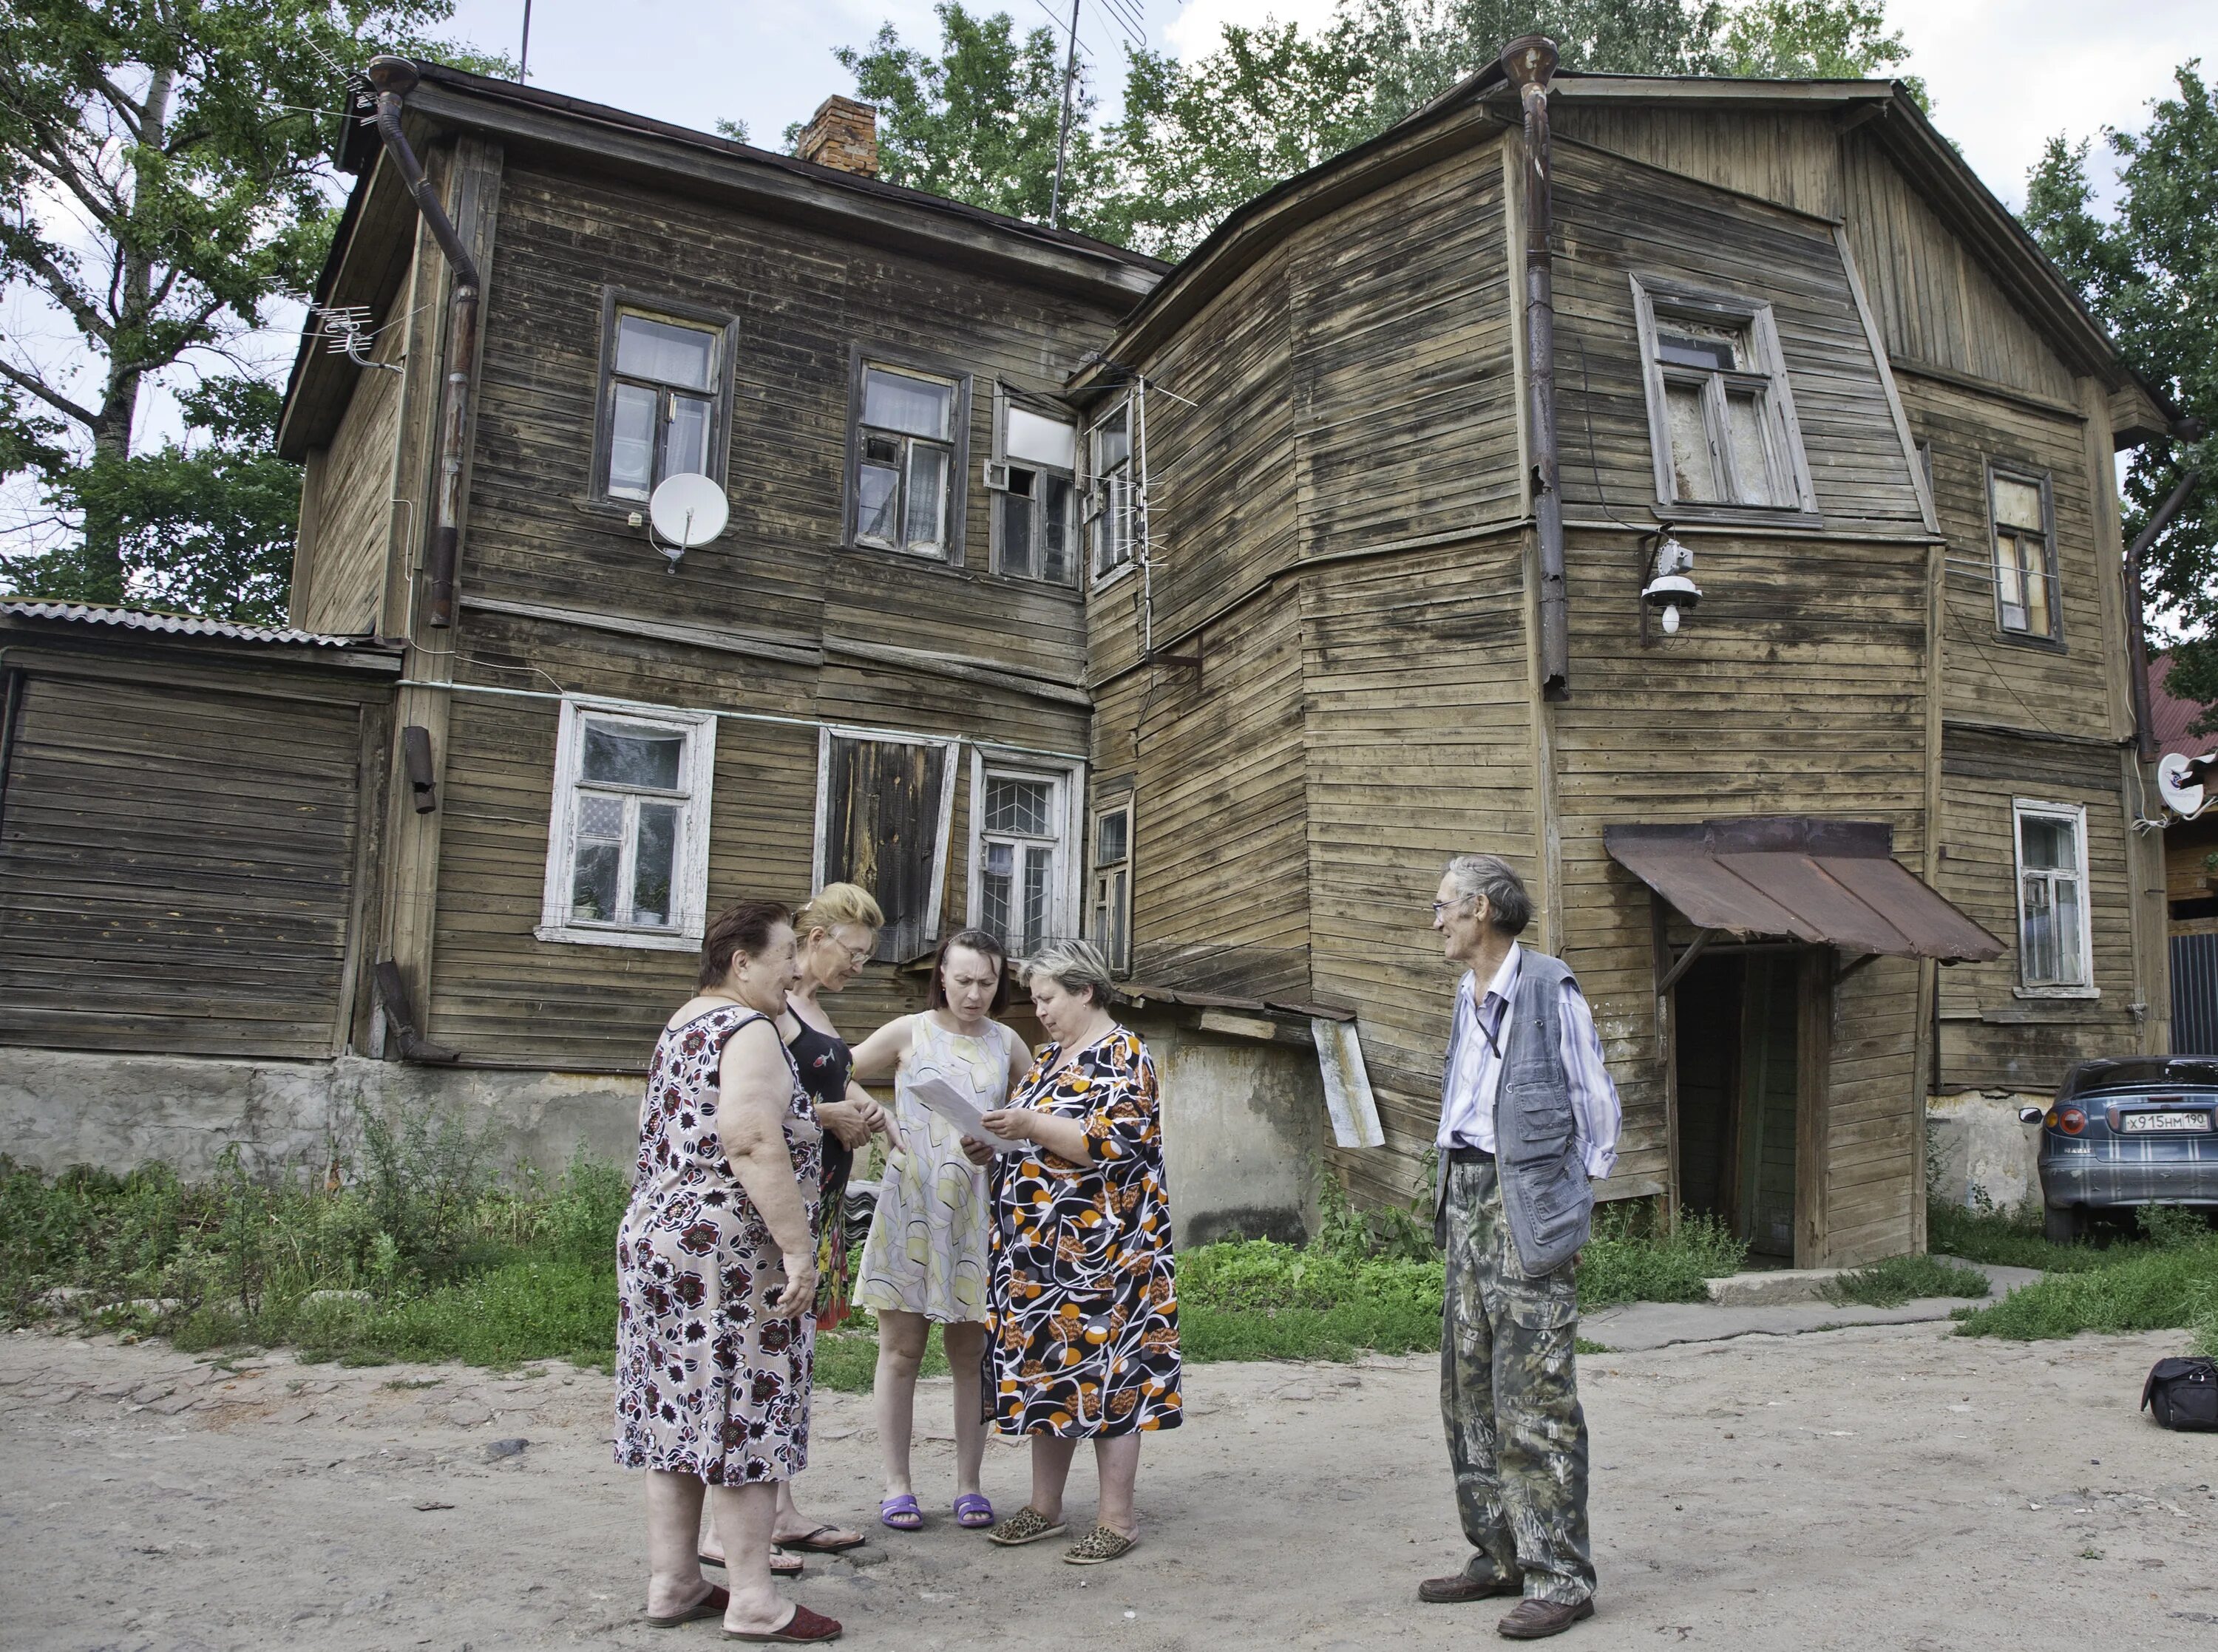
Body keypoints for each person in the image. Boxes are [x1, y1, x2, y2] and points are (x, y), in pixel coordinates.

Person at [612, 900, 841, 1645]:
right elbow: (747, 1138)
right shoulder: (747, 1031)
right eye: (785, 957)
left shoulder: (683, 1024)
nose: (797, 970)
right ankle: (752, 1600)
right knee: (746, 1410)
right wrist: (799, 1250)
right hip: (728, 1258)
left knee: (679, 1408)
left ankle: (675, 1579)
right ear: (742, 962)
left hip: (660, 1242)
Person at [1421, 854, 1620, 1642]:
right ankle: (1499, 1555)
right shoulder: (1464, 997)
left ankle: (1561, 1577)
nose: (1435, 920)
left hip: (1526, 1203)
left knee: (1533, 1396)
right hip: (1466, 1199)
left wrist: (1572, 1208)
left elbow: (1595, 1104)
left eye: (1442, 906)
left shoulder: (1548, 988)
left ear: (1480, 910)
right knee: (1467, 1392)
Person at [969, 938, 1180, 1567]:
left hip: (1106, 1256)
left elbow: (1111, 1146)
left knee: (1110, 1376)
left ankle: (1117, 1518)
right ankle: (1046, 1505)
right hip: (1039, 1258)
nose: (1039, 1010)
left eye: (1048, 997)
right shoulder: (1050, 1059)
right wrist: (995, 1141)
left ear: (1085, 990)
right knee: (1049, 1370)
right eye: (1034, 999)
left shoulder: (1124, 1055)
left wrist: (1029, 1126)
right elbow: (1036, 1137)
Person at [700, 883, 888, 1578]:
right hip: (771, 1218)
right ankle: (732, 1531)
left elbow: (835, 1079)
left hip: (819, 1204)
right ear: (816, 939)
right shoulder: (765, 1013)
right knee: (748, 1370)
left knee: (786, 1370)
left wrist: (877, 1119)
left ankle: (778, 1510)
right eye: (855, 954)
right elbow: (762, 1103)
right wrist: (826, 1118)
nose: (858, 968)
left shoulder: (807, 1009)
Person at [847, 928, 1027, 1534]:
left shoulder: (1009, 1042)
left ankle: (969, 1485)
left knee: (971, 1352)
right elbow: (828, 1068)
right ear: (941, 977)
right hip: (911, 1207)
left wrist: (1003, 1141)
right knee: (901, 1350)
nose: (975, 993)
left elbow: (1037, 1117)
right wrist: (875, 1111)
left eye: (987, 982)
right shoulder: (909, 1031)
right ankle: (896, 1484)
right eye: (964, 979)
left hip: (979, 1211)